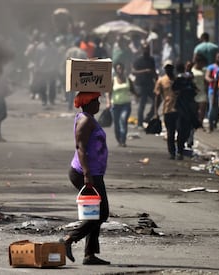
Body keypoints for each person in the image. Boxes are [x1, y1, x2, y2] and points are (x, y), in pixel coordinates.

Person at [59, 92, 110, 265]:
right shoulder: (85, 120)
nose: (99, 104)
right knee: (101, 213)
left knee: (95, 214)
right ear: (87, 103)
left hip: (94, 173)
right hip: (85, 173)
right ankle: (68, 239)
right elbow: (80, 147)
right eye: (96, 100)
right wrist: (87, 174)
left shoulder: (88, 117)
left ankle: (90, 255)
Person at [172, 62, 199, 160]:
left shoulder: (190, 85)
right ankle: (179, 150)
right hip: (180, 109)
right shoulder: (178, 82)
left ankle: (181, 148)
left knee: (187, 130)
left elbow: (196, 92)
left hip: (189, 109)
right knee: (180, 129)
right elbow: (174, 91)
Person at [106, 62, 137, 147]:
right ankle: (119, 139)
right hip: (115, 105)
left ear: (123, 69)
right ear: (116, 70)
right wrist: (108, 102)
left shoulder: (128, 79)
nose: (119, 70)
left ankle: (123, 140)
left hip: (126, 104)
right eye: (118, 68)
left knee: (123, 120)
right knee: (116, 124)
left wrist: (137, 96)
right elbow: (108, 92)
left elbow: (133, 90)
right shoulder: (113, 80)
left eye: (121, 68)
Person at [154, 60, 177, 159]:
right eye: (167, 68)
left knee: (181, 130)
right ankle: (172, 152)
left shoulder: (178, 80)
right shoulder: (161, 81)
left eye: (170, 68)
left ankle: (180, 149)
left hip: (179, 110)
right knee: (170, 132)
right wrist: (156, 111)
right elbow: (158, 97)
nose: (169, 70)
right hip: (167, 109)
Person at [132, 43, 158, 129]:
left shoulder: (151, 59)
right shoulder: (138, 60)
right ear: (142, 50)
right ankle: (139, 123)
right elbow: (133, 72)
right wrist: (144, 71)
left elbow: (153, 70)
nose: (146, 50)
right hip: (141, 84)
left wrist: (157, 79)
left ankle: (147, 118)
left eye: (148, 49)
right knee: (142, 104)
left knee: (156, 101)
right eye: (145, 49)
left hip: (150, 84)